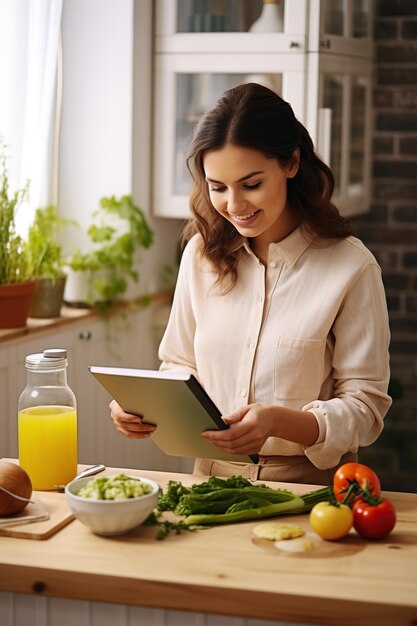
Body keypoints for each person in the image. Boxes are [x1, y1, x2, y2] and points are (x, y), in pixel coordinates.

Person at [110, 82, 392, 485]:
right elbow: (180, 365)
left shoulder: (350, 267)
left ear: (291, 163)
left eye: (251, 184)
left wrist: (281, 422)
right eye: (218, 188)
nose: (234, 206)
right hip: (208, 481)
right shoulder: (200, 255)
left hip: (309, 488)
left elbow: (365, 409)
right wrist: (143, 406)